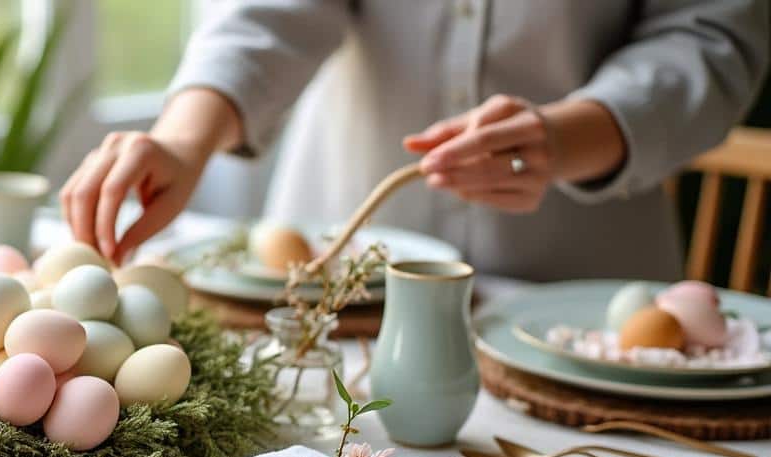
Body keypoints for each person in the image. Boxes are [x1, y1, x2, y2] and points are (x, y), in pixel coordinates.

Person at [60, 1, 770, 281]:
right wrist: (185, 140)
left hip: (579, 278)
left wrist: (572, 135)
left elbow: (713, 34)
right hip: (335, 271)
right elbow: (272, 10)